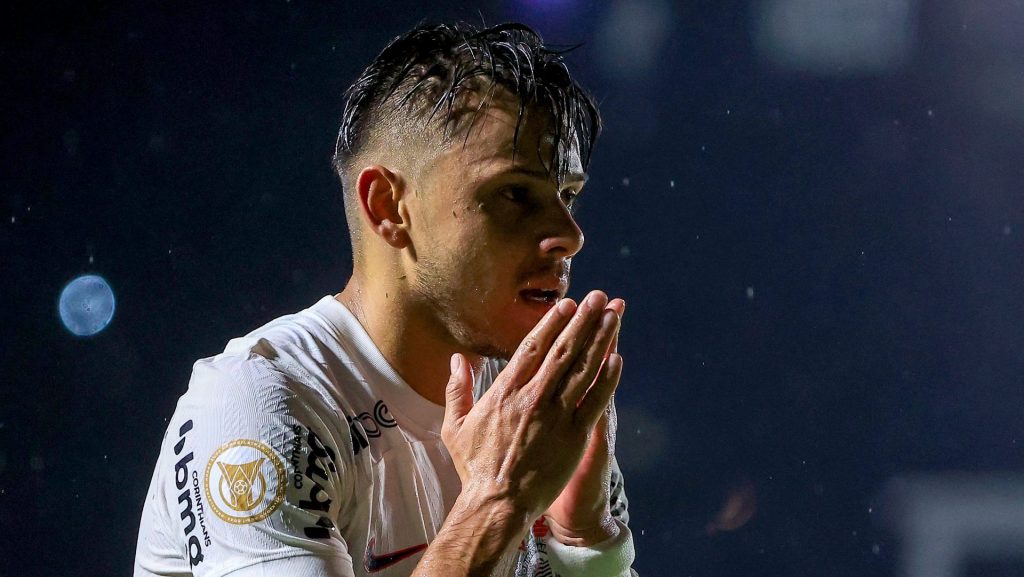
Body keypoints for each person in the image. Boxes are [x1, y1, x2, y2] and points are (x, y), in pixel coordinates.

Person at [134, 21, 636, 577]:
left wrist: (586, 539)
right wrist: (497, 502)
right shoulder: (258, 404)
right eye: (515, 193)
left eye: (567, 195)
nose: (569, 233)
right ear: (388, 207)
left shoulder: (529, 401)